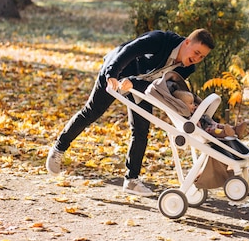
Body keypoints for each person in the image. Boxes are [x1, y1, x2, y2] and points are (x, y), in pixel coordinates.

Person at [46, 29, 215, 196]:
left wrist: (134, 84)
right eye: (197, 52)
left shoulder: (187, 68)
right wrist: (112, 74)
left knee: (141, 129)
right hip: (119, 70)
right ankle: (58, 149)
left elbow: (163, 86)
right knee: (92, 112)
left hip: (140, 85)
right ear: (186, 42)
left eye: (202, 57)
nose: (197, 59)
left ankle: (132, 180)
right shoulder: (160, 40)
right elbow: (128, 51)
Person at [172, 89, 247, 139]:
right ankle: (225, 133)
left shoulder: (193, 110)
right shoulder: (186, 116)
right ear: (183, 105)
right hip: (206, 129)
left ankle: (236, 129)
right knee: (215, 130)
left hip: (210, 123)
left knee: (219, 125)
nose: (193, 105)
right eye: (191, 103)